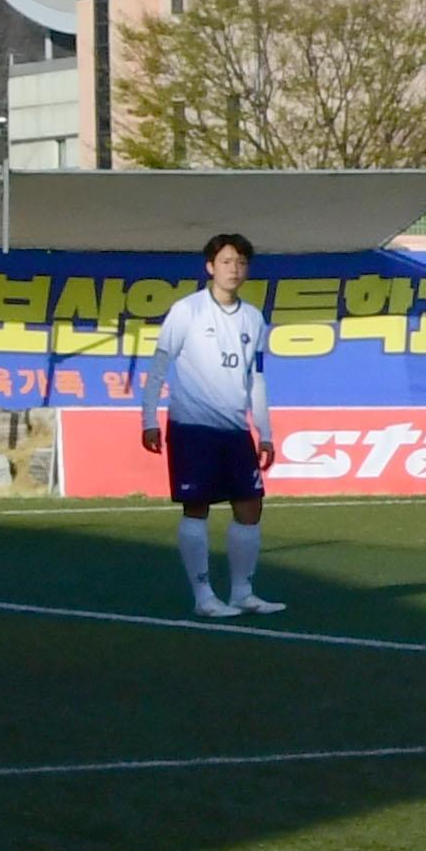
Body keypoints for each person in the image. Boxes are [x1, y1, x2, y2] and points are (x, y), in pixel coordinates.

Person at [138, 231, 283, 618]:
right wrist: (148, 419)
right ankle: (203, 596)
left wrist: (264, 431)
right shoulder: (187, 310)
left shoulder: (254, 317)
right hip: (192, 426)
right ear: (210, 267)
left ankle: (242, 592)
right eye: (226, 262)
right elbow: (159, 366)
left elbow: (256, 378)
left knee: (250, 506)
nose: (234, 269)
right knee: (196, 508)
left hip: (236, 429)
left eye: (240, 263)